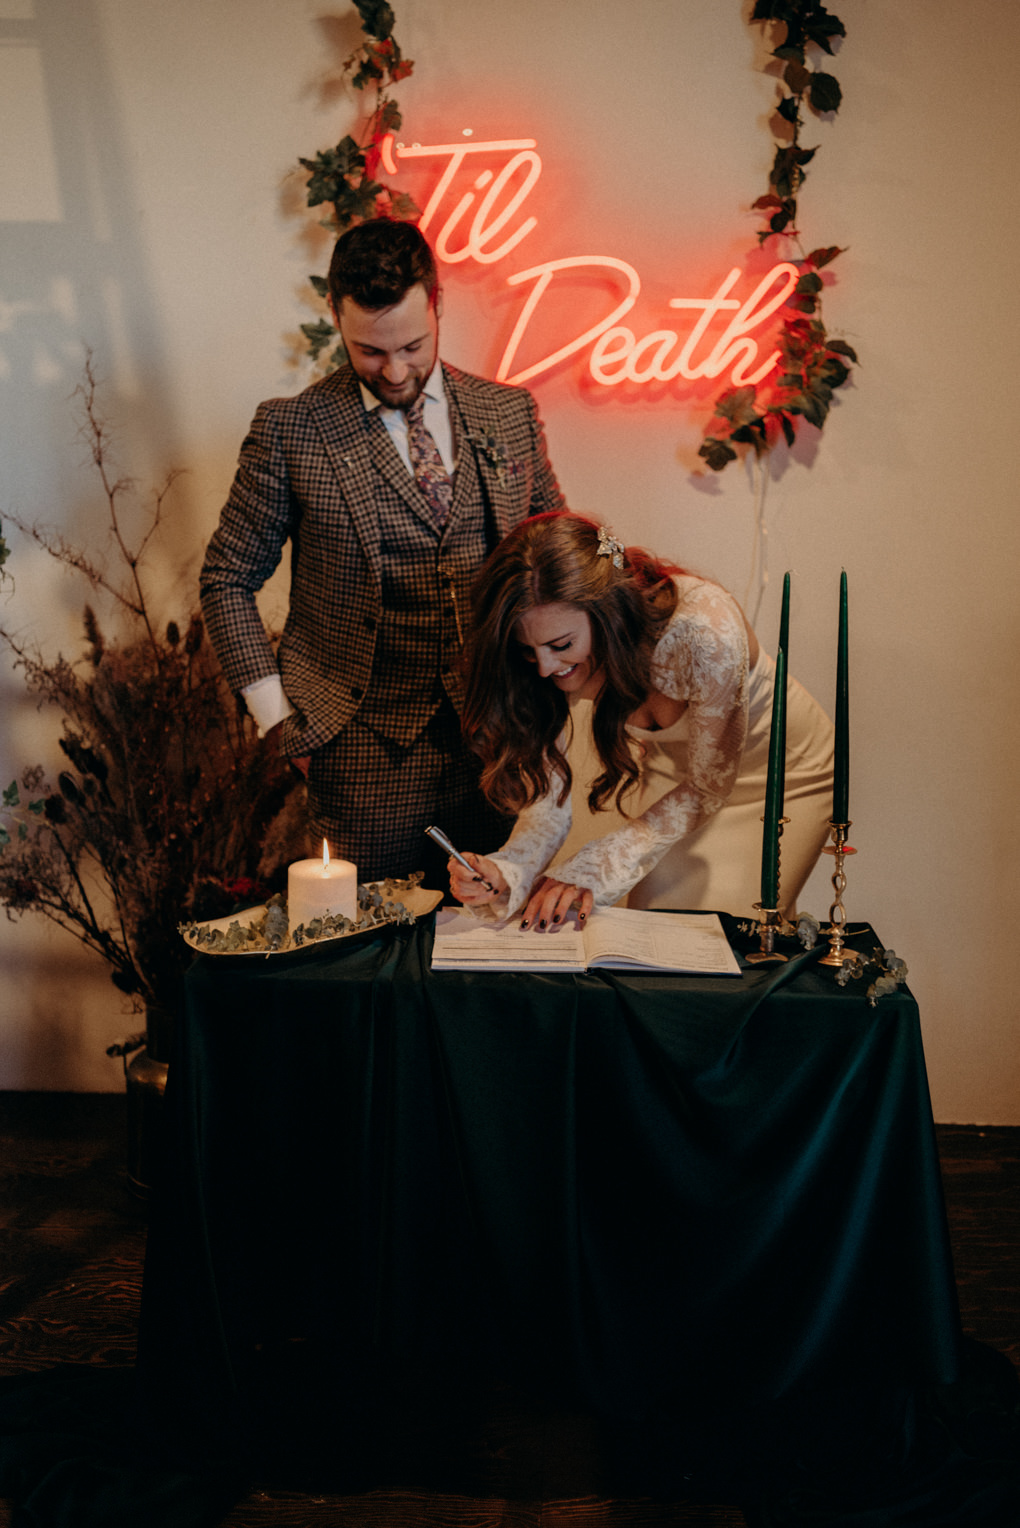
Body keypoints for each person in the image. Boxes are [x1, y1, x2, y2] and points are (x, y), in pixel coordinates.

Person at [200, 218, 565, 885]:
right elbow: (226, 578)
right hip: (357, 748)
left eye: (413, 346)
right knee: (369, 955)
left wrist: (559, 689)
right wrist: (281, 724)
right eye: (370, 352)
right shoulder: (292, 431)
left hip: (495, 740)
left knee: (482, 940)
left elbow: (557, 557)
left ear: (437, 304)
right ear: (335, 317)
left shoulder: (508, 413)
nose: (395, 370)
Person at [448, 511, 834, 926]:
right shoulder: (551, 660)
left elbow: (709, 785)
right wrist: (509, 870)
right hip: (679, 779)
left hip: (783, 776)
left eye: (561, 644)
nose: (544, 667)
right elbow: (549, 791)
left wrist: (591, 868)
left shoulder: (704, 632)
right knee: (656, 925)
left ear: (608, 613)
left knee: (735, 936)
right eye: (528, 650)